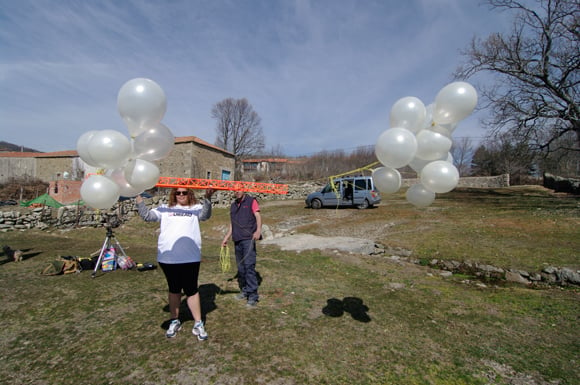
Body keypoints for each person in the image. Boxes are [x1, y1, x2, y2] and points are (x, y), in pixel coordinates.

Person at [136, 187, 215, 340]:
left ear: (189, 194)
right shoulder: (164, 209)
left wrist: (207, 198)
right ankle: (174, 320)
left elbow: (205, 215)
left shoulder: (195, 208)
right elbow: (147, 216)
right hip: (168, 258)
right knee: (174, 289)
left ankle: (198, 323)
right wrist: (138, 197)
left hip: (190, 258)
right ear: (173, 195)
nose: (180, 195)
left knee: (191, 290)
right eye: (177, 193)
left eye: (184, 192)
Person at [221, 189, 262, 307]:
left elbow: (258, 216)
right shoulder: (233, 205)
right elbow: (232, 224)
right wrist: (226, 237)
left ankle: (253, 296)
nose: (237, 192)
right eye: (235, 190)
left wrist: (258, 230)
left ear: (244, 190)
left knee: (249, 266)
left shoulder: (251, 201)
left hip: (248, 239)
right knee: (241, 268)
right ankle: (245, 290)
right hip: (237, 239)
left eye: (239, 190)